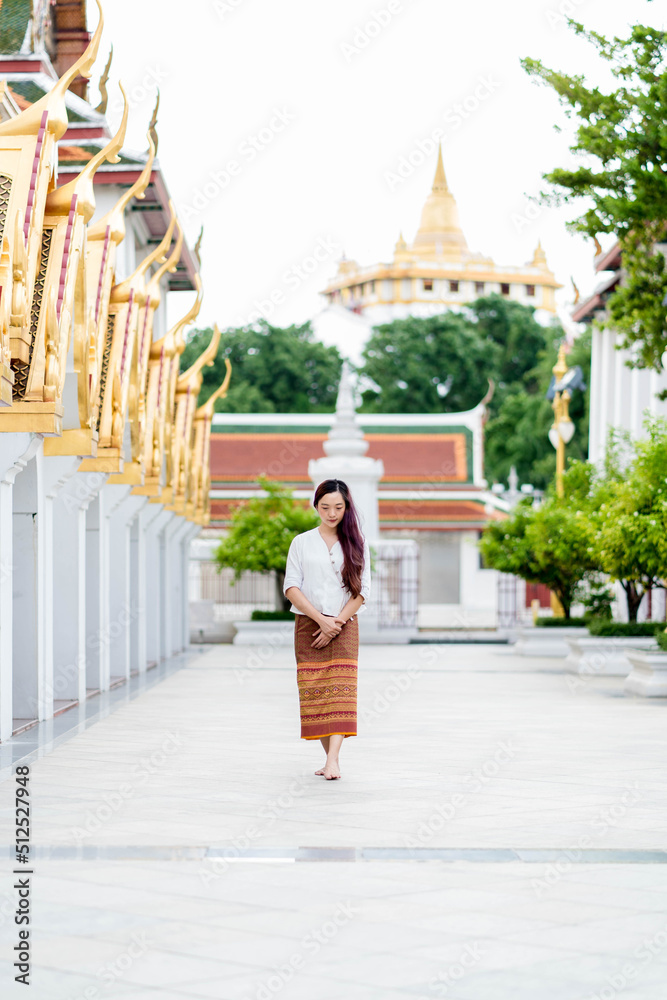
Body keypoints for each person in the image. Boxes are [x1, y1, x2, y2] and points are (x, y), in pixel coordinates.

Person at [283, 479, 371, 780]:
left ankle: (333, 760)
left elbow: (363, 592)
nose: (332, 513)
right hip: (309, 625)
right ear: (316, 506)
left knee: (341, 693)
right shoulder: (301, 542)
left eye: (338, 507)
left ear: (347, 508)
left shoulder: (358, 543)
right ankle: (330, 759)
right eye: (325, 507)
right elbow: (291, 586)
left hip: (345, 625)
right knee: (316, 693)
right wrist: (321, 620)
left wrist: (336, 624)